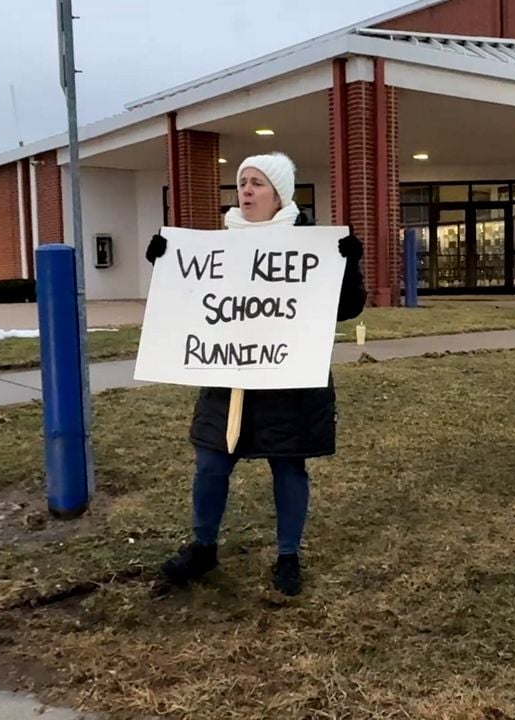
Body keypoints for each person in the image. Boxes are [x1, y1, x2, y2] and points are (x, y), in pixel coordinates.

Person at [143, 151, 367, 596]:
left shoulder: (311, 246)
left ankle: (288, 555)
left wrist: (347, 267)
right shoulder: (221, 245)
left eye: (257, 182)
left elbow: (346, 309)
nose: (246, 190)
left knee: (288, 465)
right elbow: (193, 300)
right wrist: (165, 265)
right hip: (230, 381)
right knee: (210, 463)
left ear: (279, 193)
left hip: (288, 381)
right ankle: (203, 547)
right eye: (242, 181)